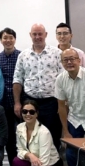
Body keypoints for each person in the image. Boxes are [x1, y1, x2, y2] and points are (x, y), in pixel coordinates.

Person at [13, 23, 63, 151]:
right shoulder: (23, 55)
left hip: (52, 103)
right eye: (34, 34)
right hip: (30, 102)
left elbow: (63, 79)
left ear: (45, 35)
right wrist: (17, 103)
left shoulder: (57, 53)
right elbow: (17, 80)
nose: (37, 37)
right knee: (30, 137)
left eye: (40, 34)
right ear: (30, 35)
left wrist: (63, 104)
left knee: (53, 136)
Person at [13, 100, 64, 166]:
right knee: (16, 161)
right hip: (34, 163)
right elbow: (19, 150)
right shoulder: (19, 128)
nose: (28, 114)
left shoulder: (44, 132)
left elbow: (44, 162)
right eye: (25, 111)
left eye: (31, 112)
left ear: (37, 114)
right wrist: (30, 155)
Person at [0, 27, 21, 166]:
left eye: (11, 37)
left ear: (14, 39)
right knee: (10, 140)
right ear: (1, 40)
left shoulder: (22, 56)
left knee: (25, 138)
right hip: (4, 106)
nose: (8, 40)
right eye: (5, 38)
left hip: (22, 104)